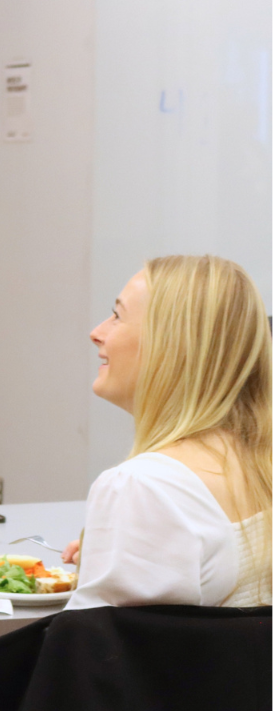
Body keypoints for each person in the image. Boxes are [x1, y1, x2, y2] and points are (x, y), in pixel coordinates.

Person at [64, 255, 270, 608]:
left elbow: (102, 654)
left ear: (170, 345)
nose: (97, 332)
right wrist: (121, 553)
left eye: (118, 316)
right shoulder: (258, 461)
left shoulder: (144, 486)